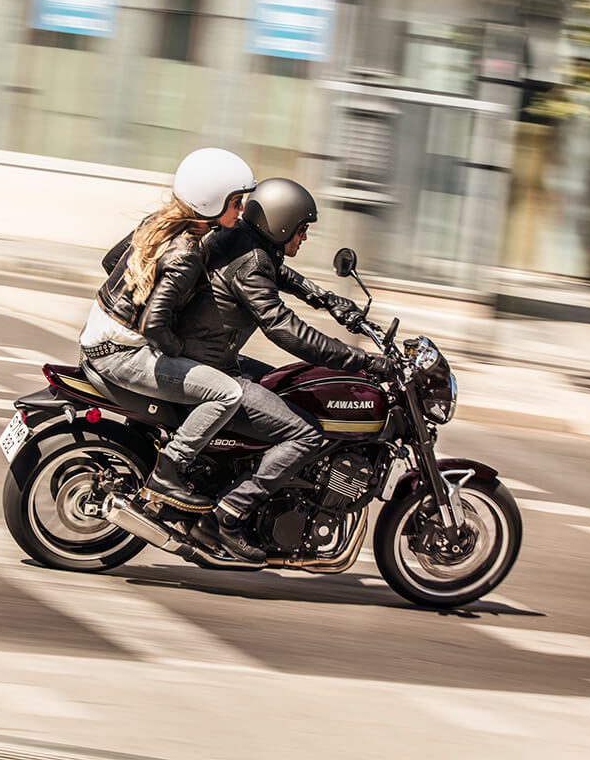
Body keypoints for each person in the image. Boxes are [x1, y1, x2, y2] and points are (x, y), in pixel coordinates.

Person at [176, 177, 392, 561]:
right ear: (280, 224)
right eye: (301, 229)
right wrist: (360, 360)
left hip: (209, 353)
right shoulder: (251, 260)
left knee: (286, 387)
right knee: (305, 433)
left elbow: (280, 273)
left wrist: (325, 299)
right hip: (210, 366)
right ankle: (227, 514)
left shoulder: (245, 240)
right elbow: (284, 329)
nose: (304, 238)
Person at [79, 148, 257, 512]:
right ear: (210, 202)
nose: (241, 211)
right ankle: (169, 470)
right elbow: (155, 324)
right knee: (226, 392)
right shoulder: (189, 250)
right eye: (236, 202)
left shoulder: (157, 222)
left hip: (95, 340)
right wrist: (178, 347)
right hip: (120, 355)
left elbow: (112, 260)